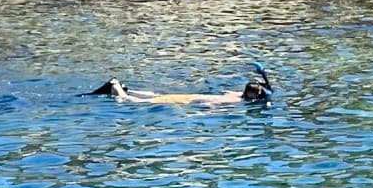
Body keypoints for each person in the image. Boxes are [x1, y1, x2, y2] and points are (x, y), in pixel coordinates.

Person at [94, 62, 274, 109]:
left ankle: (127, 88)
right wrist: (209, 109)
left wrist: (263, 77)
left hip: (191, 97)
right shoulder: (237, 102)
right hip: (190, 101)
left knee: (154, 95)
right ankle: (117, 87)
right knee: (139, 103)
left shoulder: (237, 95)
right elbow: (212, 104)